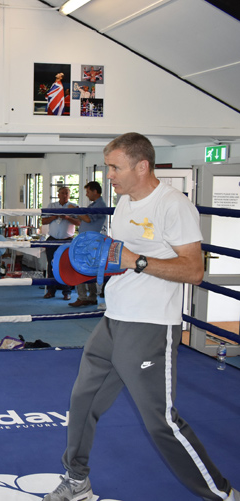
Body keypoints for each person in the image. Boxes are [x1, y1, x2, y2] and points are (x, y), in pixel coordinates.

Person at [43, 132, 238, 501]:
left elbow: (194, 270)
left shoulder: (172, 205)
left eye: (115, 167)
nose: (109, 175)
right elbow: (119, 261)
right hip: (113, 319)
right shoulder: (124, 204)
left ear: (142, 165)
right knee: (82, 401)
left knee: (161, 421)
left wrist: (138, 261)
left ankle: (223, 494)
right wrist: (91, 264)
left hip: (150, 325)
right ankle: (77, 479)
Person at [69, 181, 107, 308]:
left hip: (90, 242)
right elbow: (83, 218)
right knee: (88, 269)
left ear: (95, 191)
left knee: (79, 267)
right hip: (88, 240)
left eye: (88, 191)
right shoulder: (94, 205)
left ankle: (83, 297)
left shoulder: (100, 205)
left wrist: (76, 210)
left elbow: (88, 219)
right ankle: (91, 296)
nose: (86, 194)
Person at [42, 186, 79, 300]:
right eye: (62, 193)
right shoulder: (51, 206)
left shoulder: (73, 206)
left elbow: (79, 222)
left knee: (66, 265)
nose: (64, 195)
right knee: (51, 266)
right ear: (58, 194)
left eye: (66, 193)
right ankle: (50, 291)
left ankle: (66, 291)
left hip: (67, 240)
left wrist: (67, 217)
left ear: (69, 195)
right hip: (52, 239)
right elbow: (43, 221)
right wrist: (54, 216)